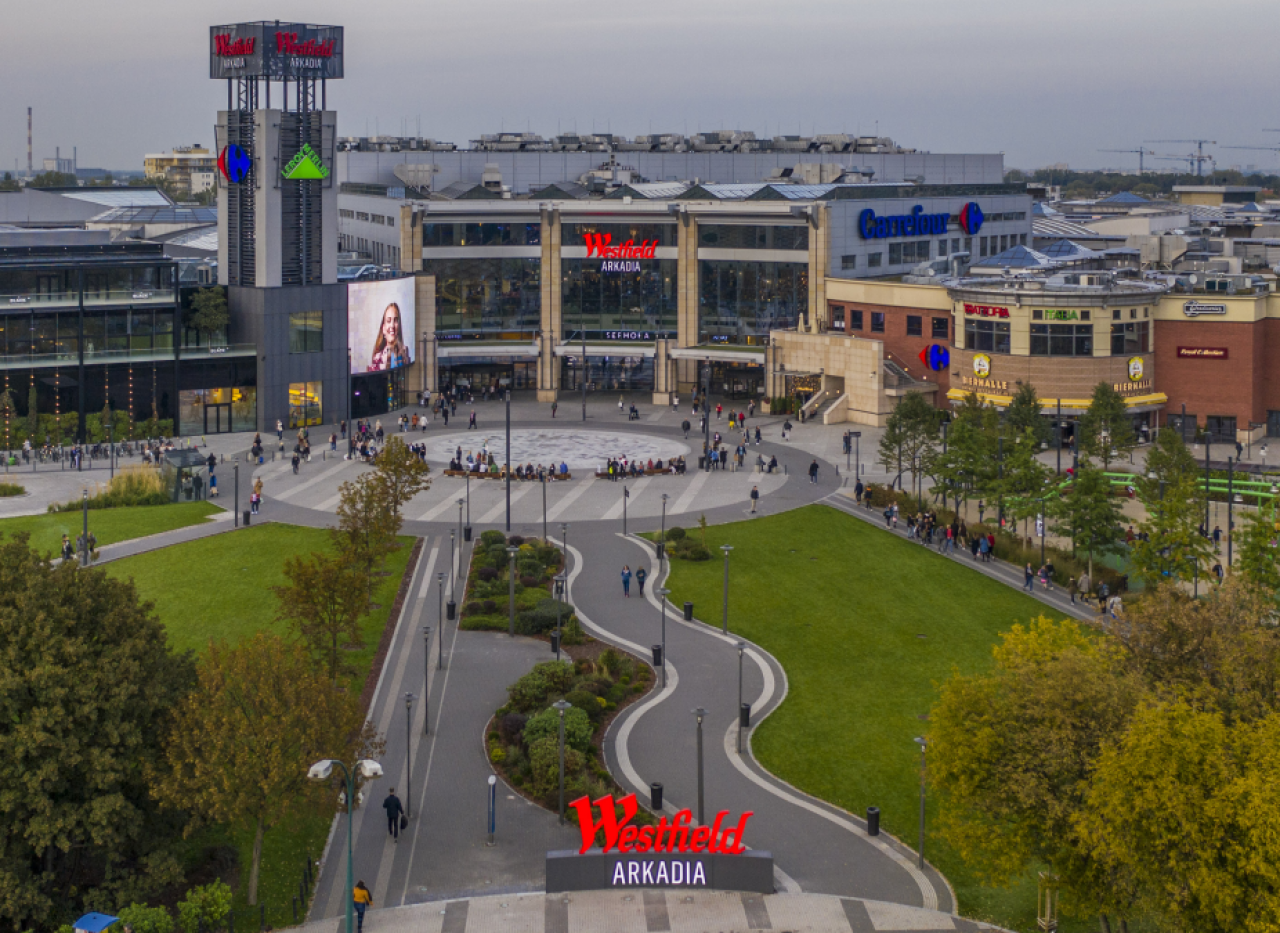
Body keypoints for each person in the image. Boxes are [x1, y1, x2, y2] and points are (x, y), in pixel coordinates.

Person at [369, 302, 410, 371]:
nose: (392, 325)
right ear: (383, 328)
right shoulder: (377, 358)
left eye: (395, 320)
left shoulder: (404, 352)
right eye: (388, 321)